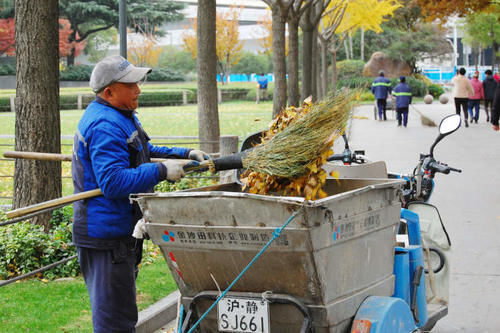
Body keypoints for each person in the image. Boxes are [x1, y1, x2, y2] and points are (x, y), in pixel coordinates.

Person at [71, 55, 210, 333]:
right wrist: (160, 171)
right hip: (105, 238)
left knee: (121, 315)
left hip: (118, 235)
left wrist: (183, 155)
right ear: (109, 92)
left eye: (138, 82)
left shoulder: (119, 115)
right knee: (115, 323)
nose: (139, 89)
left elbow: (140, 151)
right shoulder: (104, 125)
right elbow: (112, 182)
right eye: (131, 84)